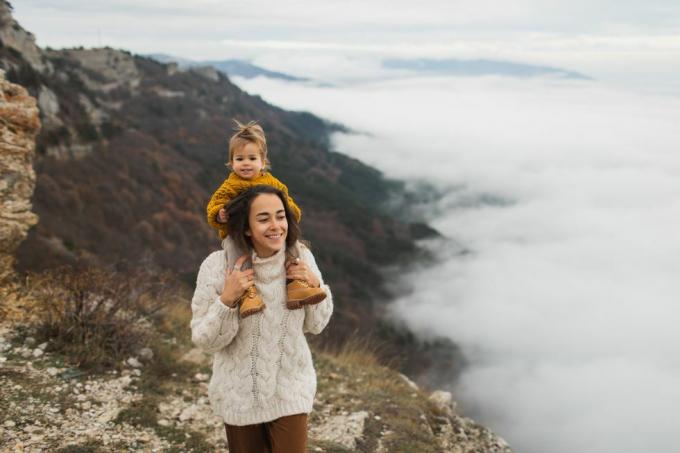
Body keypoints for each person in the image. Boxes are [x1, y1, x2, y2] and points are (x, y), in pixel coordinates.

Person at [191, 185, 333, 453]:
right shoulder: (216, 266)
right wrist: (228, 300)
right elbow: (205, 340)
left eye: (280, 216)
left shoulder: (300, 258)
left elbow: (316, 325)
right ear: (246, 227)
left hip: (291, 388)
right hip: (239, 393)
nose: (276, 226)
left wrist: (316, 287)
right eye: (264, 218)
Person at [206, 120, 326, 317]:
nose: (246, 163)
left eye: (252, 158)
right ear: (231, 162)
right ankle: (247, 292)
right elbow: (213, 207)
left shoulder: (272, 182)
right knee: (234, 252)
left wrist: (289, 213)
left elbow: (288, 203)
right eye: (239, 158)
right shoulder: (230, 186)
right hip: (237, 233)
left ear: (263, 161)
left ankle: (296, 283)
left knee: (294, 245)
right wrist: (220, 213)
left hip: (269, 234)